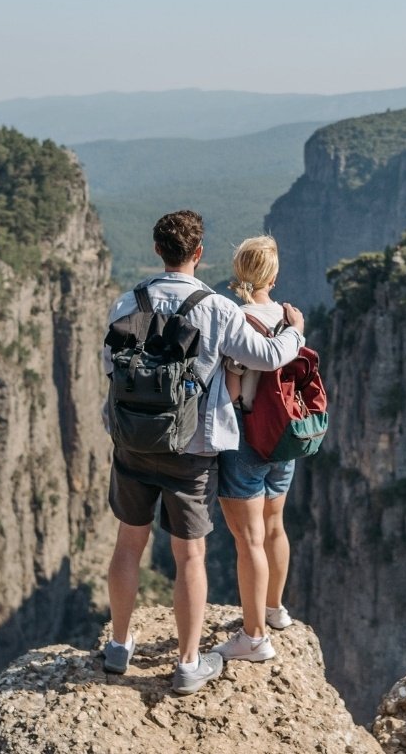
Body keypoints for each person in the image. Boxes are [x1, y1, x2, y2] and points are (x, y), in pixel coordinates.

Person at [100, 211, 306, 693]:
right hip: (192, 449)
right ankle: (189, 662)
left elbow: (111, 367)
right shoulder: (218, 308)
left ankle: (118, 644)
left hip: (131, 443)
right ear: (198, 254)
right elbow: (270, 357)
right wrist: (294, 329)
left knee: (129, 543)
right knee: (190, 555)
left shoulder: (125, 302)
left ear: (157, 250)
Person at [211, 235, 300, 666]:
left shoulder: (237, 318)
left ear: (238, 274)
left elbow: (231, 387)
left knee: (249, 542)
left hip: (246, 436)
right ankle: (274, 609)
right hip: (284, 436)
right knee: (275, 526)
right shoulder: (290, 318)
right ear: (274, 276)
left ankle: (253, 637)